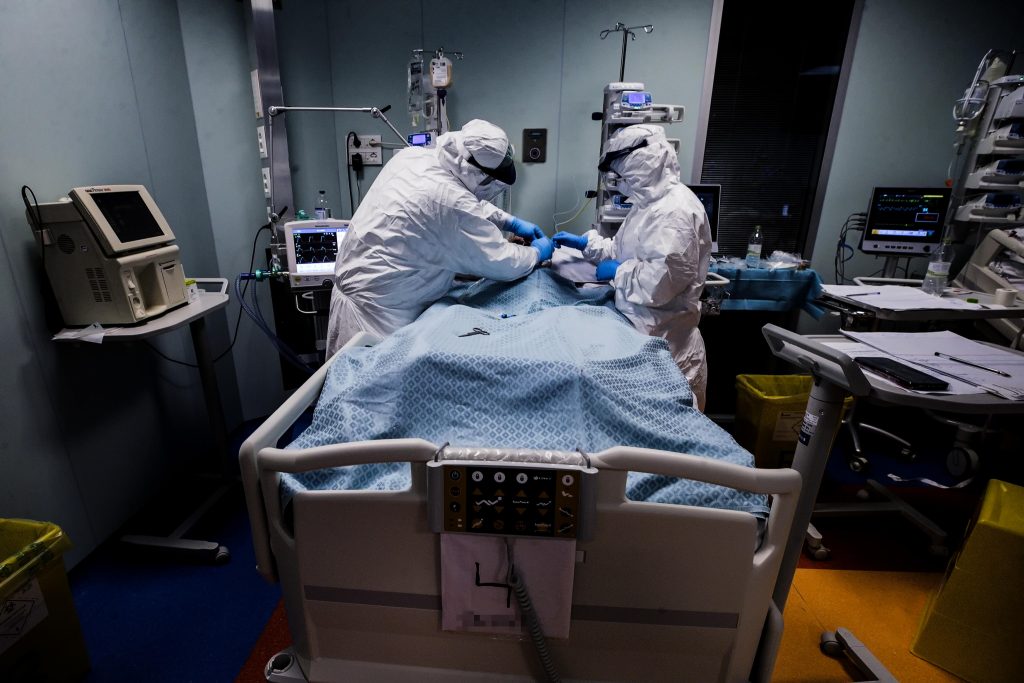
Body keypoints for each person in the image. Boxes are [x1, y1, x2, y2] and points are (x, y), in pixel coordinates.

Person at [326, 119, 554, 356]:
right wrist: (537, 253)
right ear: (473, 171)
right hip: (377, 317)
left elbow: (459, 202)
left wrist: (509, 221)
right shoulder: (449, 202)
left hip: (365, 289)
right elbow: (503, 261)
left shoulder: (414, 157)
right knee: (368, 384)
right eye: (488, 181)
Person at [553, 124, 712, 410]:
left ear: (641, 167)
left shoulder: (674, 212)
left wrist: (618, 272)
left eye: (622, 175)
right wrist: (586, 245)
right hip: (641, 336)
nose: (619, 182)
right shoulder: (647, 205)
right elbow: (621, 250)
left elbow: (659, 285)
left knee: (666, 445)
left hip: (668, 351)